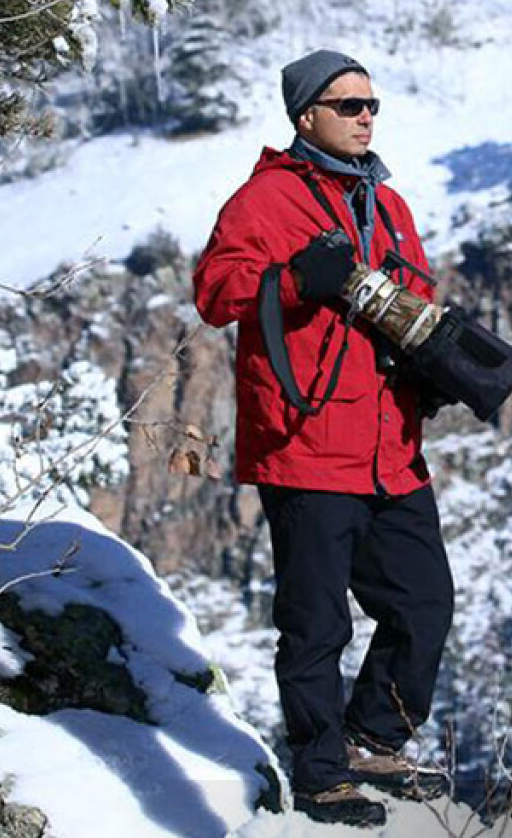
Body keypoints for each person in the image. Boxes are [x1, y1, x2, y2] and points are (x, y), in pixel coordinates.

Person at [192, 49, 455, 828]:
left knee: (424, 603)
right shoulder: (266, 200)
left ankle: (376, 736)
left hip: (391, 445)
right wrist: (298, 279)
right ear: (307, 115)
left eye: (372, 104)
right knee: (317, 623)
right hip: (306, 442)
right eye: (349, 106)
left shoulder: (391, 204)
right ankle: (321, 771)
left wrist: (440, 362)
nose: (367, 116)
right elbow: (215, 292)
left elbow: (416, 300)